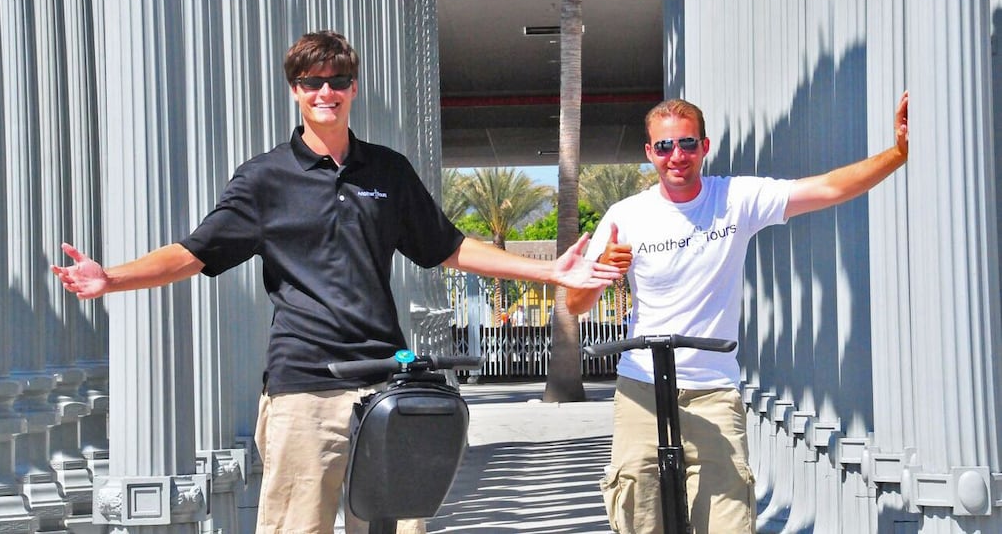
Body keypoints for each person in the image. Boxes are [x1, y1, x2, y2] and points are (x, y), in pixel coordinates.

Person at [51, 30, 619, 534]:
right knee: (298, 525)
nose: (326, 92)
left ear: (353, 87)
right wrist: (112, 279)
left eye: (338, 80)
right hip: (303, 384)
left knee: (398, 526)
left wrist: (549, 269)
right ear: (294, 91)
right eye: (312, 82)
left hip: (385, 377)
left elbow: (446, 247)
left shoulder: (387, 170)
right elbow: (194, 253)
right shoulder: (264, 179)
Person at [567, 92, 909, 534]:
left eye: (688, 144)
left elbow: (827, 188)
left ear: (705, 148)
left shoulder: (735, 198)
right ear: (650, 153)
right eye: (666, 147)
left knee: (728, 519)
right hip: (643, 386)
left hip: (713, 388)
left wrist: (899, 152)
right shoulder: (626, 216)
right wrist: (600, 275)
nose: (678, 156)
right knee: (637, 512)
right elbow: (575, 307)